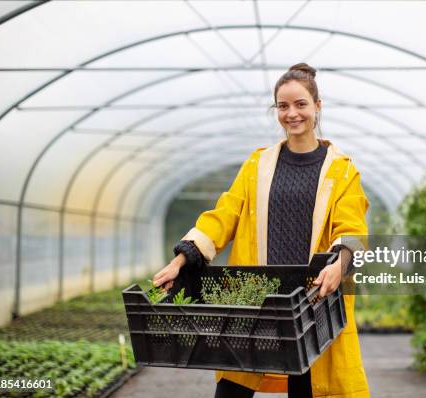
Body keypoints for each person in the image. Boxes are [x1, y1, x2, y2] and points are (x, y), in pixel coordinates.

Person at [153, 63, 370, 398]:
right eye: (283, 106)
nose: (292, 114)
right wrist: (182, 259)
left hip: (310, 301)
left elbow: (352, 228)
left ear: (317, 106)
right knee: (232, 387)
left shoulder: (341, 170)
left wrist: (339, 265)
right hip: (254, 297)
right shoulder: (258, 165)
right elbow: (223, 215)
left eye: (301, 104)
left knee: (309, 385)